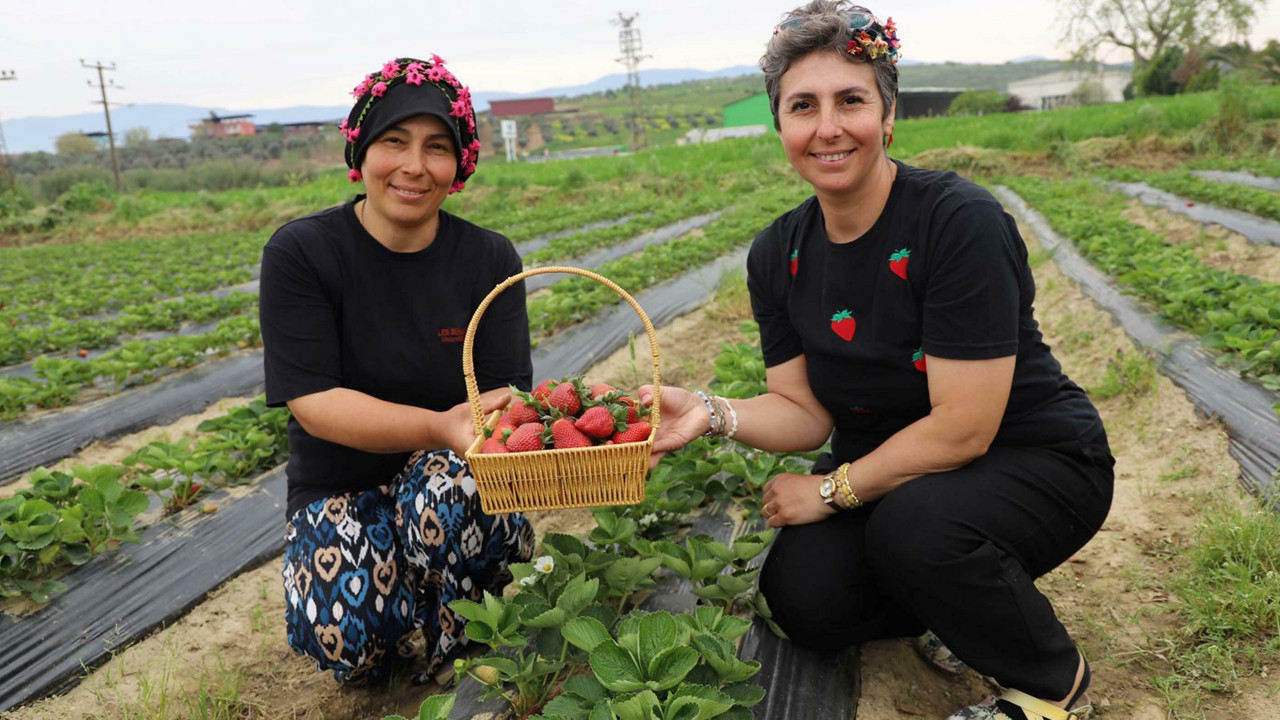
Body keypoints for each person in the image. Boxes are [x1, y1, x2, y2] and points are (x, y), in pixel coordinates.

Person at [638, 4, 1113, 719]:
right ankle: (953, 606)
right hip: (896, 475)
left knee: (917, 532)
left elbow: (963, 430)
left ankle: (1053, 685)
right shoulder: (778, 253)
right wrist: (709, 412)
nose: (828, 127)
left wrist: (830, 493)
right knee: (805, 600)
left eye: (851, 100)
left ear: (888, 115)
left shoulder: (957, 222)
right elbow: (802, 410)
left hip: (1033, 458)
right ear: (781, 127)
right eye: (803, 106)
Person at [259, 56, 535, 685]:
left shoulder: (488, 257)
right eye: (394, 141)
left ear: (459, 165)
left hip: (450, 474)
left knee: (454, 486)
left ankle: (458, 635)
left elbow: (500, 395)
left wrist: (459, 436)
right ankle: (389, 627)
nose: (415, 166)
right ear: (360, 150)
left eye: (438, 147)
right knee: (351, 637)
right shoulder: (303, 252)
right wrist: (439, 425)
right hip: (339, 485)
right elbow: (314, 401)